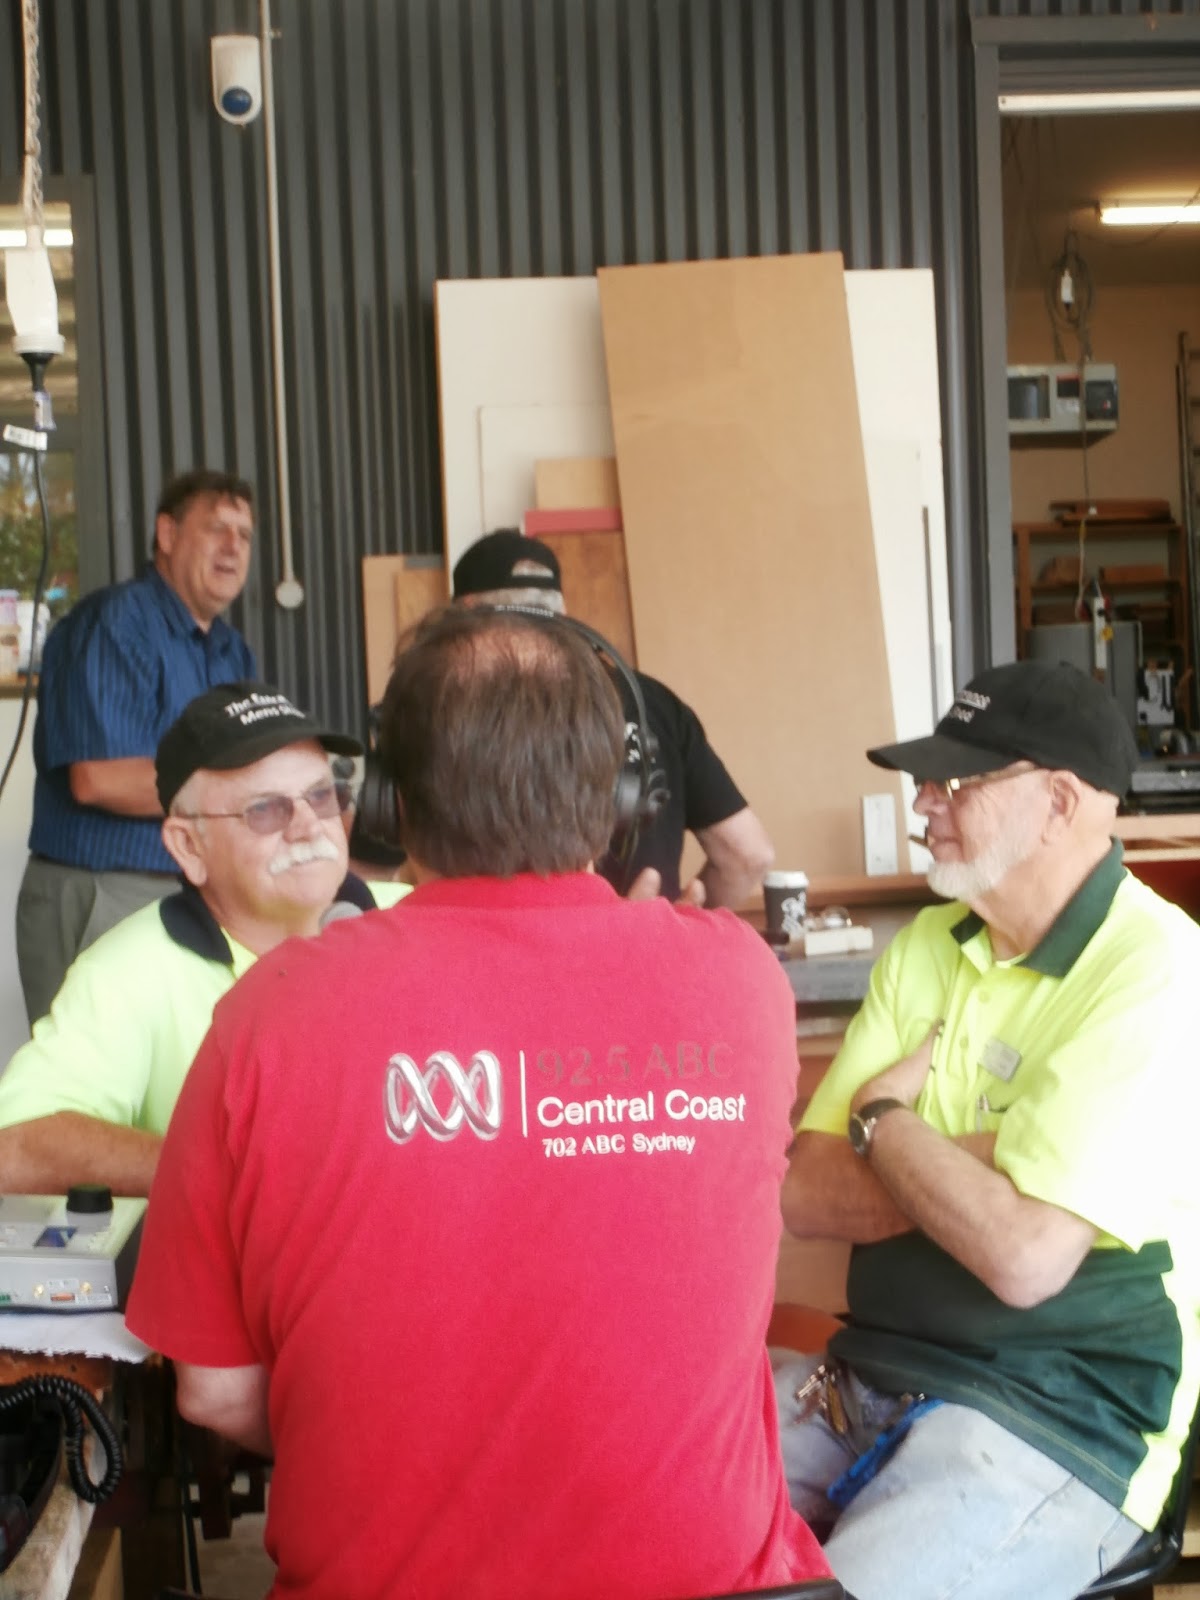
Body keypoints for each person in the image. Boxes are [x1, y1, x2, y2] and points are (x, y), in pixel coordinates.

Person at [127, 603, 831, 1599]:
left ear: (392, 807)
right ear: (620, 800)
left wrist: (393, 1439)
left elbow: (213, 1391)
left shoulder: (266, 1015)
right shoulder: (741, 982)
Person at [774, 658, 1200, 1600]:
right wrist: (990, 1169)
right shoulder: (929, 945)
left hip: (1057, 1416)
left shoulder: (1154, 964)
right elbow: (803, 1193)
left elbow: (1023, 1255)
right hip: (869, 1374)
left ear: (1059, 802)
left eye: (956, 782)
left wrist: (885, 1122)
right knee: (631, 1501)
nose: (924, 803)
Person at [0, 681, 363, 1198]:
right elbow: (17, 1145)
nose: (310, 827)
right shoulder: (128, 971)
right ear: (190, 846)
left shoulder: (415, 915)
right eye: (266, 809)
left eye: (322, 796)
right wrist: (233, 1176)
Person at [16, 468, 258, 1025]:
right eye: (217, 528)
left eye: (244, 535)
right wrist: (232, 793)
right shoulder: (116, 623)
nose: (233, 546)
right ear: (167, 534)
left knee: (180, 1071)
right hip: (106, 891)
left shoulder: (231, 651)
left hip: (192, 892)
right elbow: (98, 778)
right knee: (92, 1073)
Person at [451, 527, 774, 906]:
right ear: (562, 612)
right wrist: (680, 926)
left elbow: (388, 871)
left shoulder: (448, 710)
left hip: (494, 942)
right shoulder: (652, 702)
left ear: (463, 615)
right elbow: (747, 855)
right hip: (649, 942)